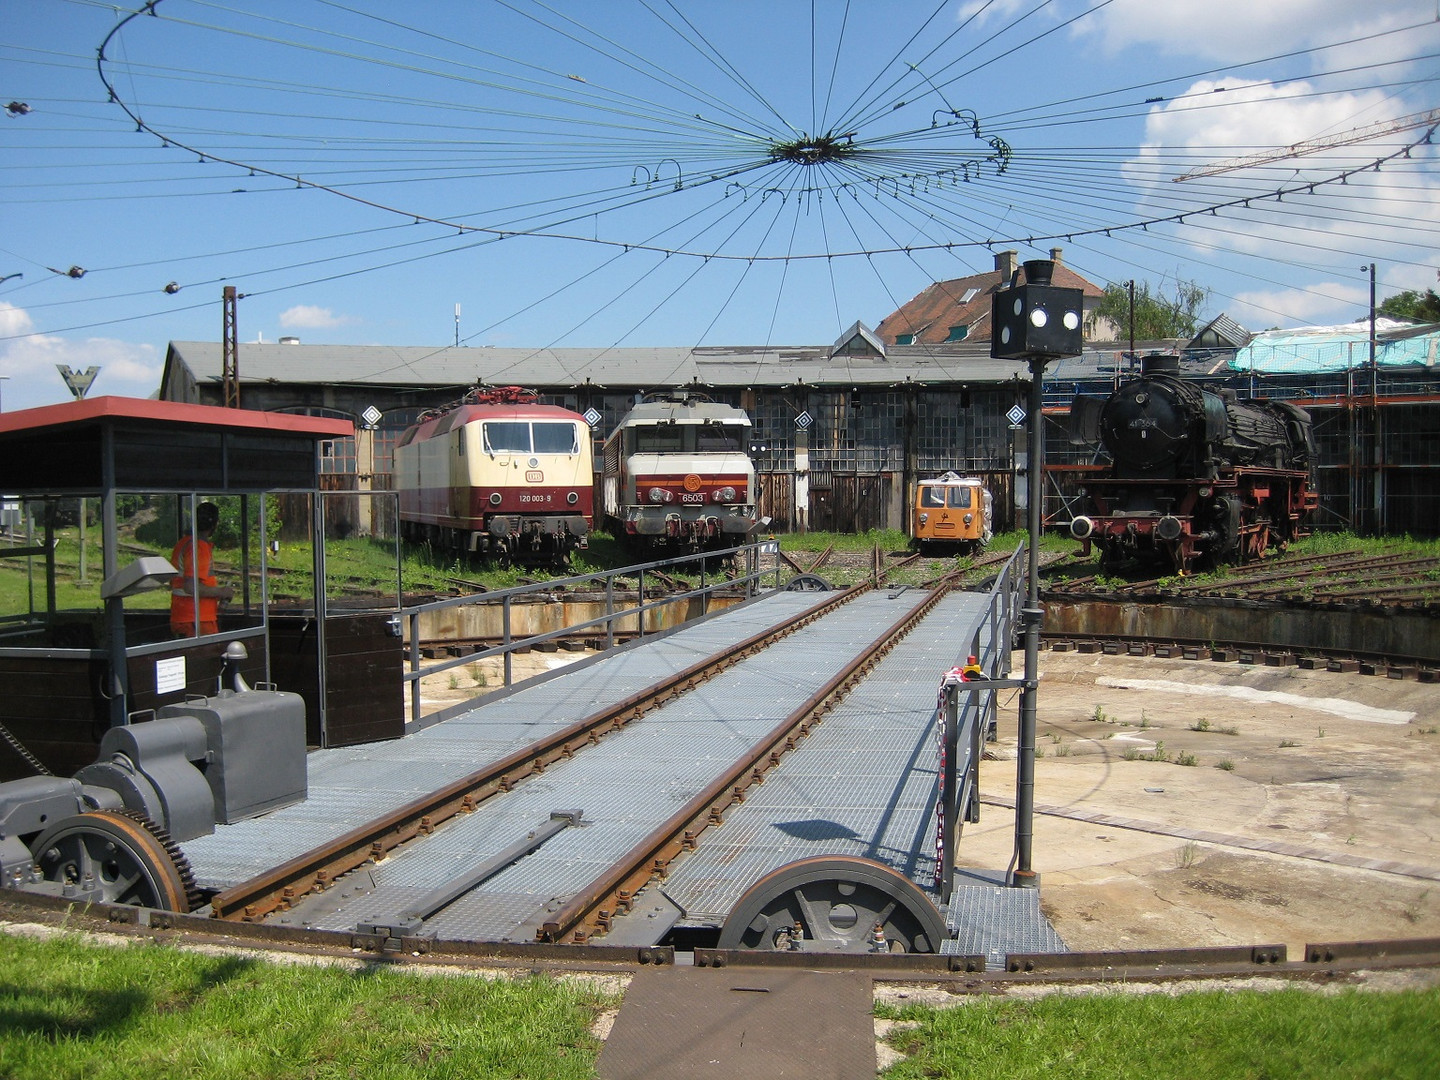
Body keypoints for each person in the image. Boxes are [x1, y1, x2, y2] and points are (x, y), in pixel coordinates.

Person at [170, 501, 233, 637]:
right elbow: (190, 586)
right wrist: (221, 592)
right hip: (197, 620)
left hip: (184, 617)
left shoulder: (183, 544)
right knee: (204, 657)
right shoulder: (198, 547)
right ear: (215, 524)